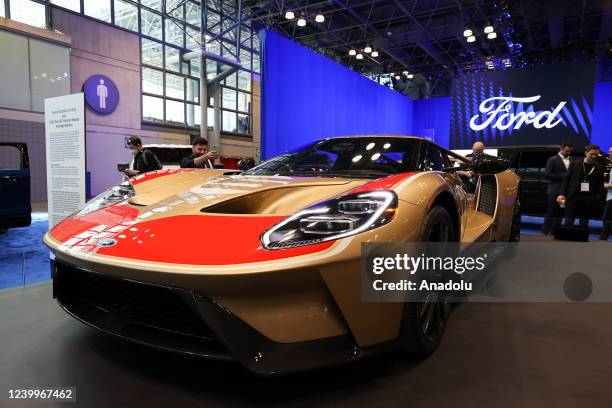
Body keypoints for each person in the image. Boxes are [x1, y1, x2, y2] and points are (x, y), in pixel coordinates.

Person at [557, 144, 605, 230]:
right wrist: (562, 194)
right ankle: (565, 238)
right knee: (569, 220)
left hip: (589, 197)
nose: (594, 156)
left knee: (584, 222)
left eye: (596, 154)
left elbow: (600, 184)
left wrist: (597, 197)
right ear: (586, 153)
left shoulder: (599, 167)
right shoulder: (575, 164)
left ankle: (581, 240)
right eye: (592, 154)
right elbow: (566, 180)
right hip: (573, 196)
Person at [541, 141, 574, 235]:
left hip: (565, 191)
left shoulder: (571, 159)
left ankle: (555, 231)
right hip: (554, 190)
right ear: (561, 148)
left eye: (570, 152)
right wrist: (564, 176)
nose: (568, 153)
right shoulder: (552, 159)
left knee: (561, 210)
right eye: (567, 151)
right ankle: (545, 231)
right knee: (552, 210)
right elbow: (547, 174)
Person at [599, 146, 612, 240]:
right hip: (609, 195)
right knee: (606, 217)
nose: (610, 154)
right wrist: (604, 184)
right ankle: (603, 238)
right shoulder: (608, 165)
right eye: (609, 152)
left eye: (611, 152)